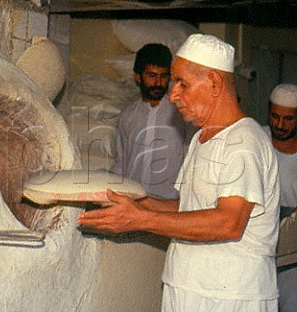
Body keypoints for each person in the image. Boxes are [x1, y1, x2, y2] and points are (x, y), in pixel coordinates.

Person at [79, 34, 280, 311]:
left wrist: (140, 219)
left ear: (214, 83)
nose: (172, 95)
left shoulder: (243, 142)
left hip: (230, 296)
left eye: (181, 83)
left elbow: (228, 222)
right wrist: (134, 201)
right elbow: (187, 208)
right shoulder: (201, 139)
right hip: (186, 287)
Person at [111, 43, 195, 200]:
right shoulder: (128, 116)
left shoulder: (181, 113)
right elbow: (121, 163)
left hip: (169, 204)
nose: (158, 83)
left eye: (163, 76)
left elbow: (192, 160)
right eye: (151, 76)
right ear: (138, 77)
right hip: (134, 203)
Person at [263, 83, 297, 312]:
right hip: (260, 242)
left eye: (288, 119)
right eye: (275, 117)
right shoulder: (257, 139)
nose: (280, 125)